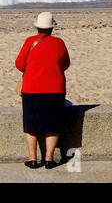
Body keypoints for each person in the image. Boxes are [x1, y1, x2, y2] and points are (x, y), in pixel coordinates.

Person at [15, 12, 70, 169]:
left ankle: (32, 158)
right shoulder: (59, 43)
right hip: (55, 89)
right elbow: (66, 64)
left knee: (30, 124)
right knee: (52, 124)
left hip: (31, 88)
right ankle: (49, 158)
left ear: (37, 27)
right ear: (52, 28)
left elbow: (19, 64)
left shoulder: (29, 41)